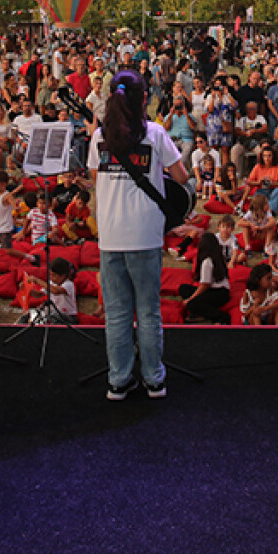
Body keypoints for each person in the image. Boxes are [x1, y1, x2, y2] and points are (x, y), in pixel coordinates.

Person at [88, 69, 189, 401]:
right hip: (145, 233)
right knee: (148, 310)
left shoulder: (99, 136)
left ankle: (118, 379)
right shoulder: (156, 134)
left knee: (116, 311)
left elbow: (95, 182)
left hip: (111, 234)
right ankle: (153, 378)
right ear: (143, 98)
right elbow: (181, 174)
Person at [180, 219, 233, 324]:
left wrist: (190, 299)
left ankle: (220, 317)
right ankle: (200, 312)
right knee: (183, 288)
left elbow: (204, 285)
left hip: (218, 293)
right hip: (220, 290)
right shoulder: (218, 256)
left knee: (192, 304)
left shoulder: (207, 262)